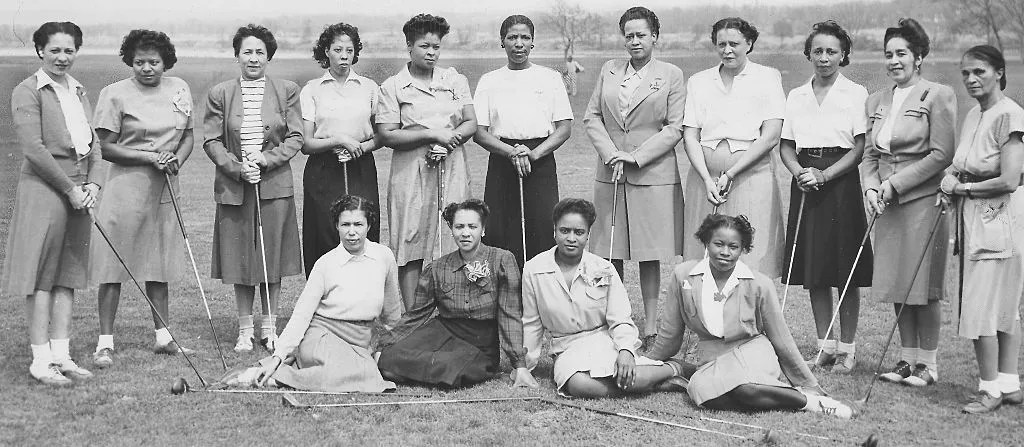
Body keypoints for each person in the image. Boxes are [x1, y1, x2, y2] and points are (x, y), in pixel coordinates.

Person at [645, 214, 855, 418]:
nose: (725, 252)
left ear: (743, 249)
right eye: (718, 244)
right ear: (706, 243)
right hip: (713, 360)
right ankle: (776, 398)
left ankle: (812, 402)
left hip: (753, 351)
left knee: (744, 389)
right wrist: (647, 361)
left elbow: (782, 340)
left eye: (733, 247)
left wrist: (809, 384)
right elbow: (670, 333)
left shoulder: (760, 284)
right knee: (703, 394)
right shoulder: (683, 275)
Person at [90, 29, 195, 368]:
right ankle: (105, 343)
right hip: (126, 188)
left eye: (154, 62)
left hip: (164, 187)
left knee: (158, 264)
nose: (147, 68)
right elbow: (106, 148)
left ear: (166, 62)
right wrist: (150, 157)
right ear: (130, 62)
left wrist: (176, 159)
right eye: (139, 62)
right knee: (113, 265)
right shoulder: (113, 94)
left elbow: (188, 136)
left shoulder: (179, 88)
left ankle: (163, 337)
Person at [4, 21, 100, 386]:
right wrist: (69, 189)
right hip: (45, 189)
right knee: (42, 275)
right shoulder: (27, 91)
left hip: (79, 188)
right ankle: (41, 360)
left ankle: (62, 355)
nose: (62, 57)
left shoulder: (78, 90)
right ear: (40, 51)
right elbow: (34, 149)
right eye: (55, 50)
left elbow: (94, 143)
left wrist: (93, 183)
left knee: (67, 274)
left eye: (69, 50)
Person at [584, 6, 686, 348]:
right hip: (611, 170)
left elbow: (674, 127)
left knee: (648, 252)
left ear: (655, 36)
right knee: (608, 250)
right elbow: (592, 117)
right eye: (629, 35)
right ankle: (613, 319)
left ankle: (651, 326)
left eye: (641, 34)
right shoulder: (609, 69)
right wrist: (612, 153)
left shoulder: (671, 74)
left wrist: (636, 156)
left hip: (651, 173)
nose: (635, 41)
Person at [861, 18, 954, 387]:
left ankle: (928, 364)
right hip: (886, 204)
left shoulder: (938, 94)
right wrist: (871, 189)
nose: (894, 61)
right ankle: (906, 359)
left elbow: (942, 154)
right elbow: (870, 156)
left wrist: (895, 184)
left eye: (901, 53)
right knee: (898, 281)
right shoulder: (876, 100)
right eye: (888, 54)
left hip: (924, 202)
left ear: (919, 57)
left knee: (923, 285)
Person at [778, 21, 872, 373]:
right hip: (805, 182)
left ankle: (847, 349)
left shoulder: (856, 93)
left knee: (844, 268)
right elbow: (786, 146)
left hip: (840, 181)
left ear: (843, 54)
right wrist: (798, 172)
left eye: (832, 51)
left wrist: (825, 174)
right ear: (809, 54)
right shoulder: (796, 95)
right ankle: (825, 347)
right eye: (817, 51)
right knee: (815, 269)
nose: (824, 57)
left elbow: (859, 148)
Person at [204, 24, 303, 353]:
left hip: (273, 186)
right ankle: (245, 330)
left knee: (271, 257)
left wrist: (266, 159)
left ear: (268, 56)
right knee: (241, 260)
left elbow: (296, 137)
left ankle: (270, 328)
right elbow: (212, 140)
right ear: (237, 55)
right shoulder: (220, 93)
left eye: (260, 52)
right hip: (236, 187)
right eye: (247, 51)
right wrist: (238, 168)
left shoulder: (287, 90)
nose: (253, 58)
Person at [522, 198, 686, 398]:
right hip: (566, 347)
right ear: (554, 231)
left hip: (605, 340)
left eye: (579, 232)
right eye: (564, 231)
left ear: (588, 235)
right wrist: (524, 367)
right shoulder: (534, 269)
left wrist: (625, 350)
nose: (571, 238)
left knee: (627, 374)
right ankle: (656, 383)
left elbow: (621, 318)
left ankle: (674, 368)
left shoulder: (603, 268)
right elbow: (531, 324)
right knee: (580, 385)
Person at [240, 196, 402, 391]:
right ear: (337, 226)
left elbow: (392, 313)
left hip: (361, 341)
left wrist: (391, 345)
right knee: (361, 373)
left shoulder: (384, 257)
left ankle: (294, 375)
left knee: (367, 370)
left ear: (368, 226)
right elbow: (302, 315)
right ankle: (275, 377)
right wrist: (278, 356)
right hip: (323, 336)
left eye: (358, 224)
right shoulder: (325, 264)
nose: (352, 232)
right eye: (345, 225)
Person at [939, 45, 1024, 413]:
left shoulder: (1010, 115)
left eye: (980, 72)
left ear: (999, 73)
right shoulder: (975, 113)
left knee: (983, 307)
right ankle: (1009, 384)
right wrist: (950, 180)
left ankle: (990, 390)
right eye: (966, 74)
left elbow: (1010, 179)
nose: (971, 79)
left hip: (999, 219)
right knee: (998, 304)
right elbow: (964, 164)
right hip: (976, 217)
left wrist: (962, 189)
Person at [377, 199, 538, 388]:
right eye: (459, 227)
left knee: (451, 370)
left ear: (483, 230)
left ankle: (430, 368)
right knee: (387, 362)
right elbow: (416, 315)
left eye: (472, 227)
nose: (465, 233)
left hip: (479, 343)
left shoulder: (501, 260)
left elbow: (509, 314)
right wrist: (384, 343)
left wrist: (519, 365)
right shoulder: (437, 267)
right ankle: (424, 366)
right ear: (452, 230)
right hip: (441, 331)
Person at [377, 14, 477, 309]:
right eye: (424, 46)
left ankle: (453, 310)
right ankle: (413, 316)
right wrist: (431, 134)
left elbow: (470, 122)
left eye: (436, 46)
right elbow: (387, 134)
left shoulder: (455, 80)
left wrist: (448, 141)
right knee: (410, 239)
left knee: (456, 233)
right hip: (410, 170)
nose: (431, 52)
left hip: (452, 165)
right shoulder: (393, 86)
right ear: (409, 46)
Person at [682, 17, 785, 277]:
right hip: (705, 182)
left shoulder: (767, 77)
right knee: (704, 255)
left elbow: (770, 136)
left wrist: (730, 173)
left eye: (734, 44)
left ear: (749, 43)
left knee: (751, 257)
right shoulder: (698, 81)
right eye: (721, 44)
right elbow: (690, 135)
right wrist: (707, 179)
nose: (727, 50)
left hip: (752, 178)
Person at [474, 15, 573, 268]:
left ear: (532, 42)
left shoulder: (550, 78)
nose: (519, 43)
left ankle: (540, 287)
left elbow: (564, 128)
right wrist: (511, 152)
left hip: (540, 158)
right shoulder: (489, 80)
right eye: (512, 37)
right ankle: (504, 289)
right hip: (502, 158)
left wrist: (533, 154)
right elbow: (479, 132)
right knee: (499, 229)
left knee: (542, 226)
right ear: (502, 42)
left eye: (525, 37)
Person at [300, 23, 382, 277]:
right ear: (326, 51)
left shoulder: (369, 87)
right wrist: (339, 140)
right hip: (323, 167)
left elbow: (381, 134)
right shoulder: (312, 89)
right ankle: (324, 296)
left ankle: (364, 294)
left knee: (362, 227)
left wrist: (360, 147)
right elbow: (306, 143)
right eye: (337, 50)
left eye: (349, 50)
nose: (344, 56)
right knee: (325, 232)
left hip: (360, 165)